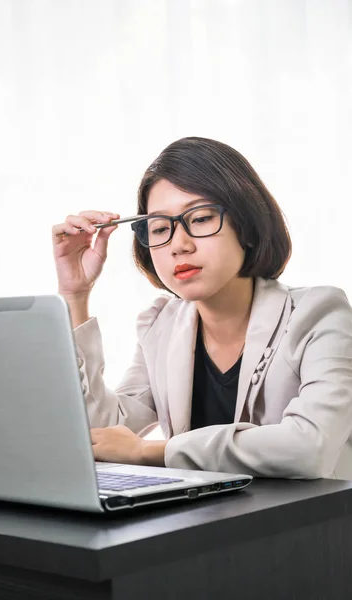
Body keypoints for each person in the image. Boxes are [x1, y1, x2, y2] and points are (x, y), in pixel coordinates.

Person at [52, 137, 352, 479]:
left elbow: (309, 448)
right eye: (161, 228)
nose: (179, 245)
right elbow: (104, 433)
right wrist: (75, 294)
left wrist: (152, 451)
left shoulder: (320, 313)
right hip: (201, 526)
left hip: (311, 527)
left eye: (202, 218)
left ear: (248, 227)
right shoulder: (161, 325)